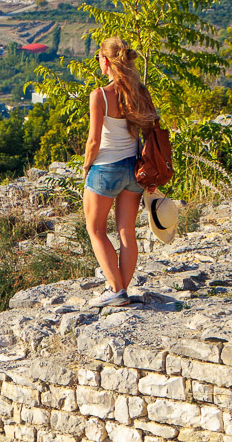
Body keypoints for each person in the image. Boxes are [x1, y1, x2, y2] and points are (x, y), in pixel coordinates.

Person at [83, 37, 160, 307]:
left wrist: (85, 166)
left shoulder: (100, 95)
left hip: (105, 169)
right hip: (134, 169)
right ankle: (121, 290)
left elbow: (94, 141)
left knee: (96, 230)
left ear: (105, 61)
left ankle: (115, 290)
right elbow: (152, 132)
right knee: (127, 232)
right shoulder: (140, 91)